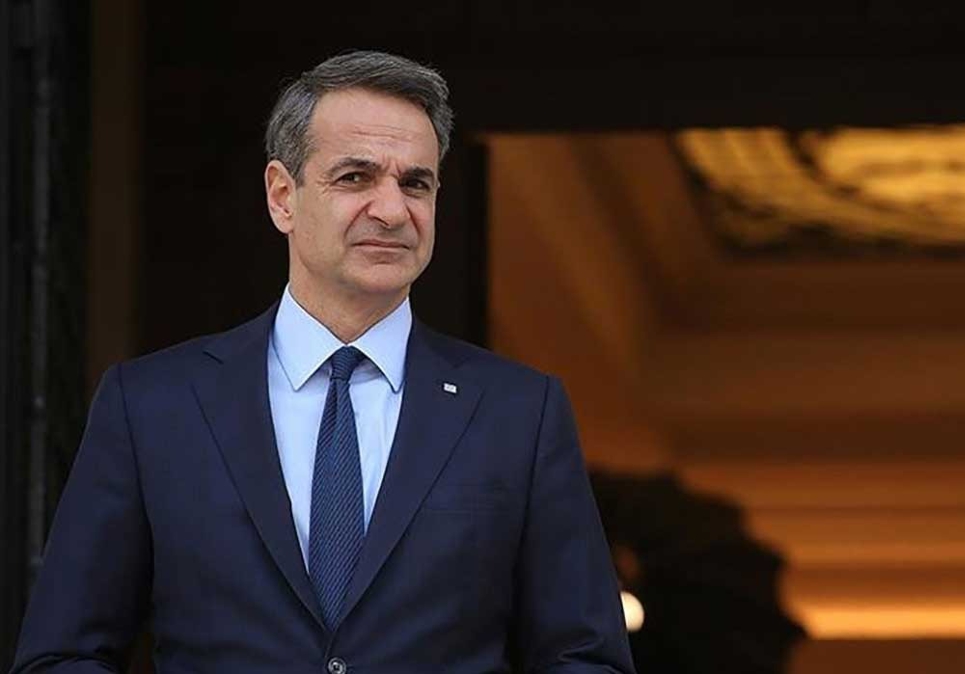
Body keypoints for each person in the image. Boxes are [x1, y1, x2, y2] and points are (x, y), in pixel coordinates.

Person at [11, 50, 636, 674]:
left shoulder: (519, 414)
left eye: (415, 183)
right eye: (356, 177)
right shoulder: (153, 405)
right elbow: (62, 656)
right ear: (282, 196)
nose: (392, 210)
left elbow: (585, 658)